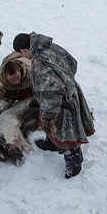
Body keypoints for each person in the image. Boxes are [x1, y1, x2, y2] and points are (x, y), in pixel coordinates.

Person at [13, 32, 95, 179]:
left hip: (62, 106)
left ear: (24, 50)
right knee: (52, 129)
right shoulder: (49, 46)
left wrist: (49, 117)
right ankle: (52, 143)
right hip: (70, 93)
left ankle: (74, 162)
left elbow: (52, 94)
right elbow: (72, 62)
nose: (22, 57)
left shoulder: (39, 65)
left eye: (20, 54)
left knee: (67, 134)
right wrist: (67, 79)